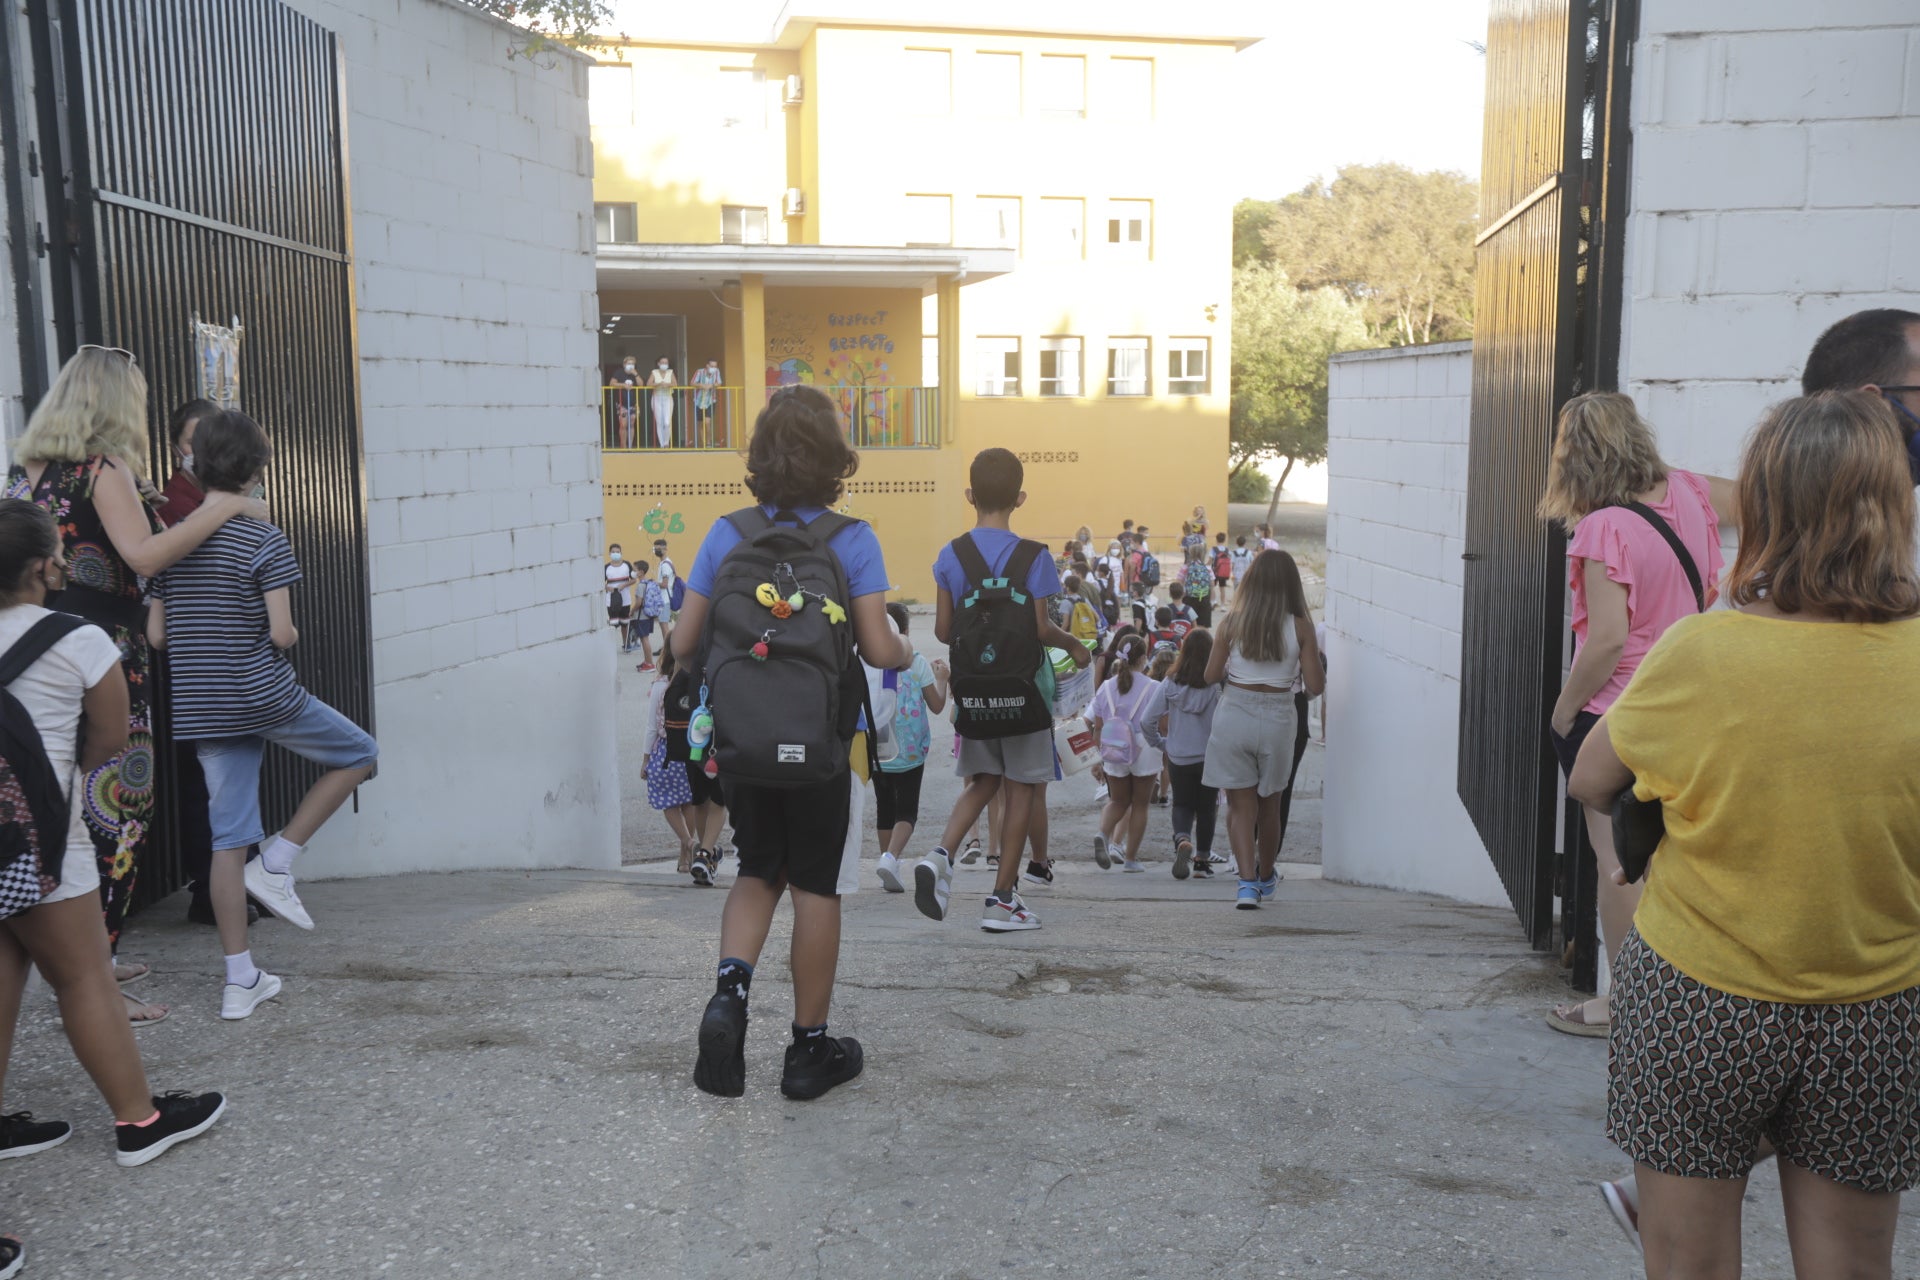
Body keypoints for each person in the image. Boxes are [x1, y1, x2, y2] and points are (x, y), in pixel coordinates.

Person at [1568, 390, 1920, 1280]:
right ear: (1896, 505)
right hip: (1877, 1006)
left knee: (1688, 1266)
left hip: (1699, 998)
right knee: (1851, 1267)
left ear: (1764, 508)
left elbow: (1593, 779)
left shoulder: (1700, 653)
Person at [7, 346, 267, 1025]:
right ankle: (95, 983)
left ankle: (93, 957)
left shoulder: (23, 472)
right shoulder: (104, 468)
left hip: (32, 651)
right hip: (106, 657)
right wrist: (230, 507)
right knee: (117, 813)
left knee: (56, 804)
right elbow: (145, 556)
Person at [675, 384, 910, 1100]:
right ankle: (808, 1052)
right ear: (834, 459)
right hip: (818, 750)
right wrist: (903, 647)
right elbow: (876, 649)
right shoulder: (853, 538)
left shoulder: (726, 533)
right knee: (815, 885)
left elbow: (684, 641)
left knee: (755, 871)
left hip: (742, 746)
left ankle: (730, 998)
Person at [0, 499, 228, 1182]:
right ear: (46, 564)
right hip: (40, 837)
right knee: (83, 974)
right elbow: (106, 744)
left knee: (7, 965)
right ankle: (140, 1120)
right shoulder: (79, 639)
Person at [147, 410, 380, 1020]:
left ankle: (239, 980)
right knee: (358, 753)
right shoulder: (262, 538)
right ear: (255, 472)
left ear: (194, 464)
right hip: (260, 692)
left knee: (227, 843)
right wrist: (284, 629)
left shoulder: (171, 541)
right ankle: (278, 862)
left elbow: (157, 635)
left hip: (203, 707)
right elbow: (281, 632)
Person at [1537, 392, 1735, 1039]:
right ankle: (1687, 997)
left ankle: (1627, 1009)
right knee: (1679, 862)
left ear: (1577, 457)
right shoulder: (1691, 493)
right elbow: (1712, 578)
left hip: (1619, 714)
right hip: (1691, 704)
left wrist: (1564, 713)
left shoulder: (1601, 528)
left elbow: (1608, 641)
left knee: (1618, 862)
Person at [913, 449, 1090, 933]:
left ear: (970, 496)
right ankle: (1002, 900)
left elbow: (946, 631)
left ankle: (940, 853)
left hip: (974, 693)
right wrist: (1075, 645)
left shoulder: (950, 556)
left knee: (982, 780)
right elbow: (1039, 628)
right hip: (1023, 694)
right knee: (1021, 791)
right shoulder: (1035, 556)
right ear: (1020, 498)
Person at [1202, 549, 1323, 909]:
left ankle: (1246, 884)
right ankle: (1266, 873)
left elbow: (1210, 676)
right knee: (1270, 806)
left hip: (1234, 712)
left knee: (1240, 808)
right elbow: (1315, 685)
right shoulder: (1301, 625)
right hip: (1278, 716)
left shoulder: (1230, 623)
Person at [871, 605, 949, 894]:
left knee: (884, 807)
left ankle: (886, 864)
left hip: (877, 749)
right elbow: (937, 706)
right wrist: (942, 679)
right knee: (906, 811)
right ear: (904, 631)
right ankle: (890, 858)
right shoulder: (916, 662)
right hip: (910, 751)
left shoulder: (869, 661)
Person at [1142, 628, 1222, 879]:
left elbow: (1147, 720)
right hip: (1209, 755)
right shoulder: (1217, 683)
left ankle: (1182, 839)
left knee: (1183, 804)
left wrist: (1161, 743)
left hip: (1178, 756)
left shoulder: (1169, 682)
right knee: (1208, 808)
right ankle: (1201, 861)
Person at [1089, 636, 1159, 872]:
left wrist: (1098, 757)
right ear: (1142, 659)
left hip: (1113, 743)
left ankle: (1103, 833)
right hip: (1143, 745)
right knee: (1140, 805)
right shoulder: (1153, 687)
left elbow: (1097, 727)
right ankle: (1130, 859)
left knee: (1118, 800)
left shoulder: (1106, 687)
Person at [639, 650, 702, 878]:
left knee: (668, 801)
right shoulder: (695, 681)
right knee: (689, 802)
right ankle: (684, 858)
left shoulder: (660, 686)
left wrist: (646, 759)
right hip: (691, 748)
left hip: (666, 751)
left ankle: (687, 842)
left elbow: (651, 728)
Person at [604, 543, 637, 652]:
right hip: (611, 600)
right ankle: (611, 647)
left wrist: (624, 585)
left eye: (617, 552)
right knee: (613, 625)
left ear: (621, 553)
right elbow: (599, 583)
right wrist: (607, 587)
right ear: (609, 553)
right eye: (613, 552)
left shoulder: (627, 565)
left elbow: (634, 580)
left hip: (625, 600)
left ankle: (626, 644)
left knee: (624, 623)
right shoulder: (606, 568)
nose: (615, 554)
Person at [608, 357, 641, 449]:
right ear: (624, 364)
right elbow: (612, 383)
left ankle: (630, 446)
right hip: (621, 402)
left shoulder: (635, 374)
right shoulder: (619, 372)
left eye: (632, 363)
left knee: (632, 423)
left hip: (633, 403)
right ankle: (623, 446)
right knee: (623, 424)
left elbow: (641, 384)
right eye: (629, 363)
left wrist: (636, 374)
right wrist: (623, 385)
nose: (631, 365)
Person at [691, 358, 723, 445]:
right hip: (698, 400)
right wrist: (701, 385)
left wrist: (711, 385)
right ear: (707, 365)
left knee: (707, 422)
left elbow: (719, 383)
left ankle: (708, 442)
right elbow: (692, 383)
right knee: (700, 423)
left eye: (715, 366)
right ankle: (703, 442)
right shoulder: (699, 372)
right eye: (712, 366)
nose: (714, 368)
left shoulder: (716, 372)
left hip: (711, 400)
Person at [648, 357, 676, 448]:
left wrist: (667, 384)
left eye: (666, 362)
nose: (664, 364)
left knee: (667, 422)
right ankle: (662, 444)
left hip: (668, 397)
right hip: (656, 398)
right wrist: (659, 384)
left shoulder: (670, 372)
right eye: (662, 362)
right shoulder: (654, 372)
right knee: (659, 422)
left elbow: (675, 384)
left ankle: (666, 442)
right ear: (658, 364)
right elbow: (648, 384)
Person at [1212, 533, 1232, 607]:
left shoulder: (1214, 549)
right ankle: (1223, 605)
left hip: (1215, 571)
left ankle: (1214, 601)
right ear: (1224, 540)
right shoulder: (1227, 550)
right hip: (1223, 572)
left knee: (1212, 586)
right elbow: (1230, 558)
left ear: (1216, 540)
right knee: (1222, 588)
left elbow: (1211, 560)